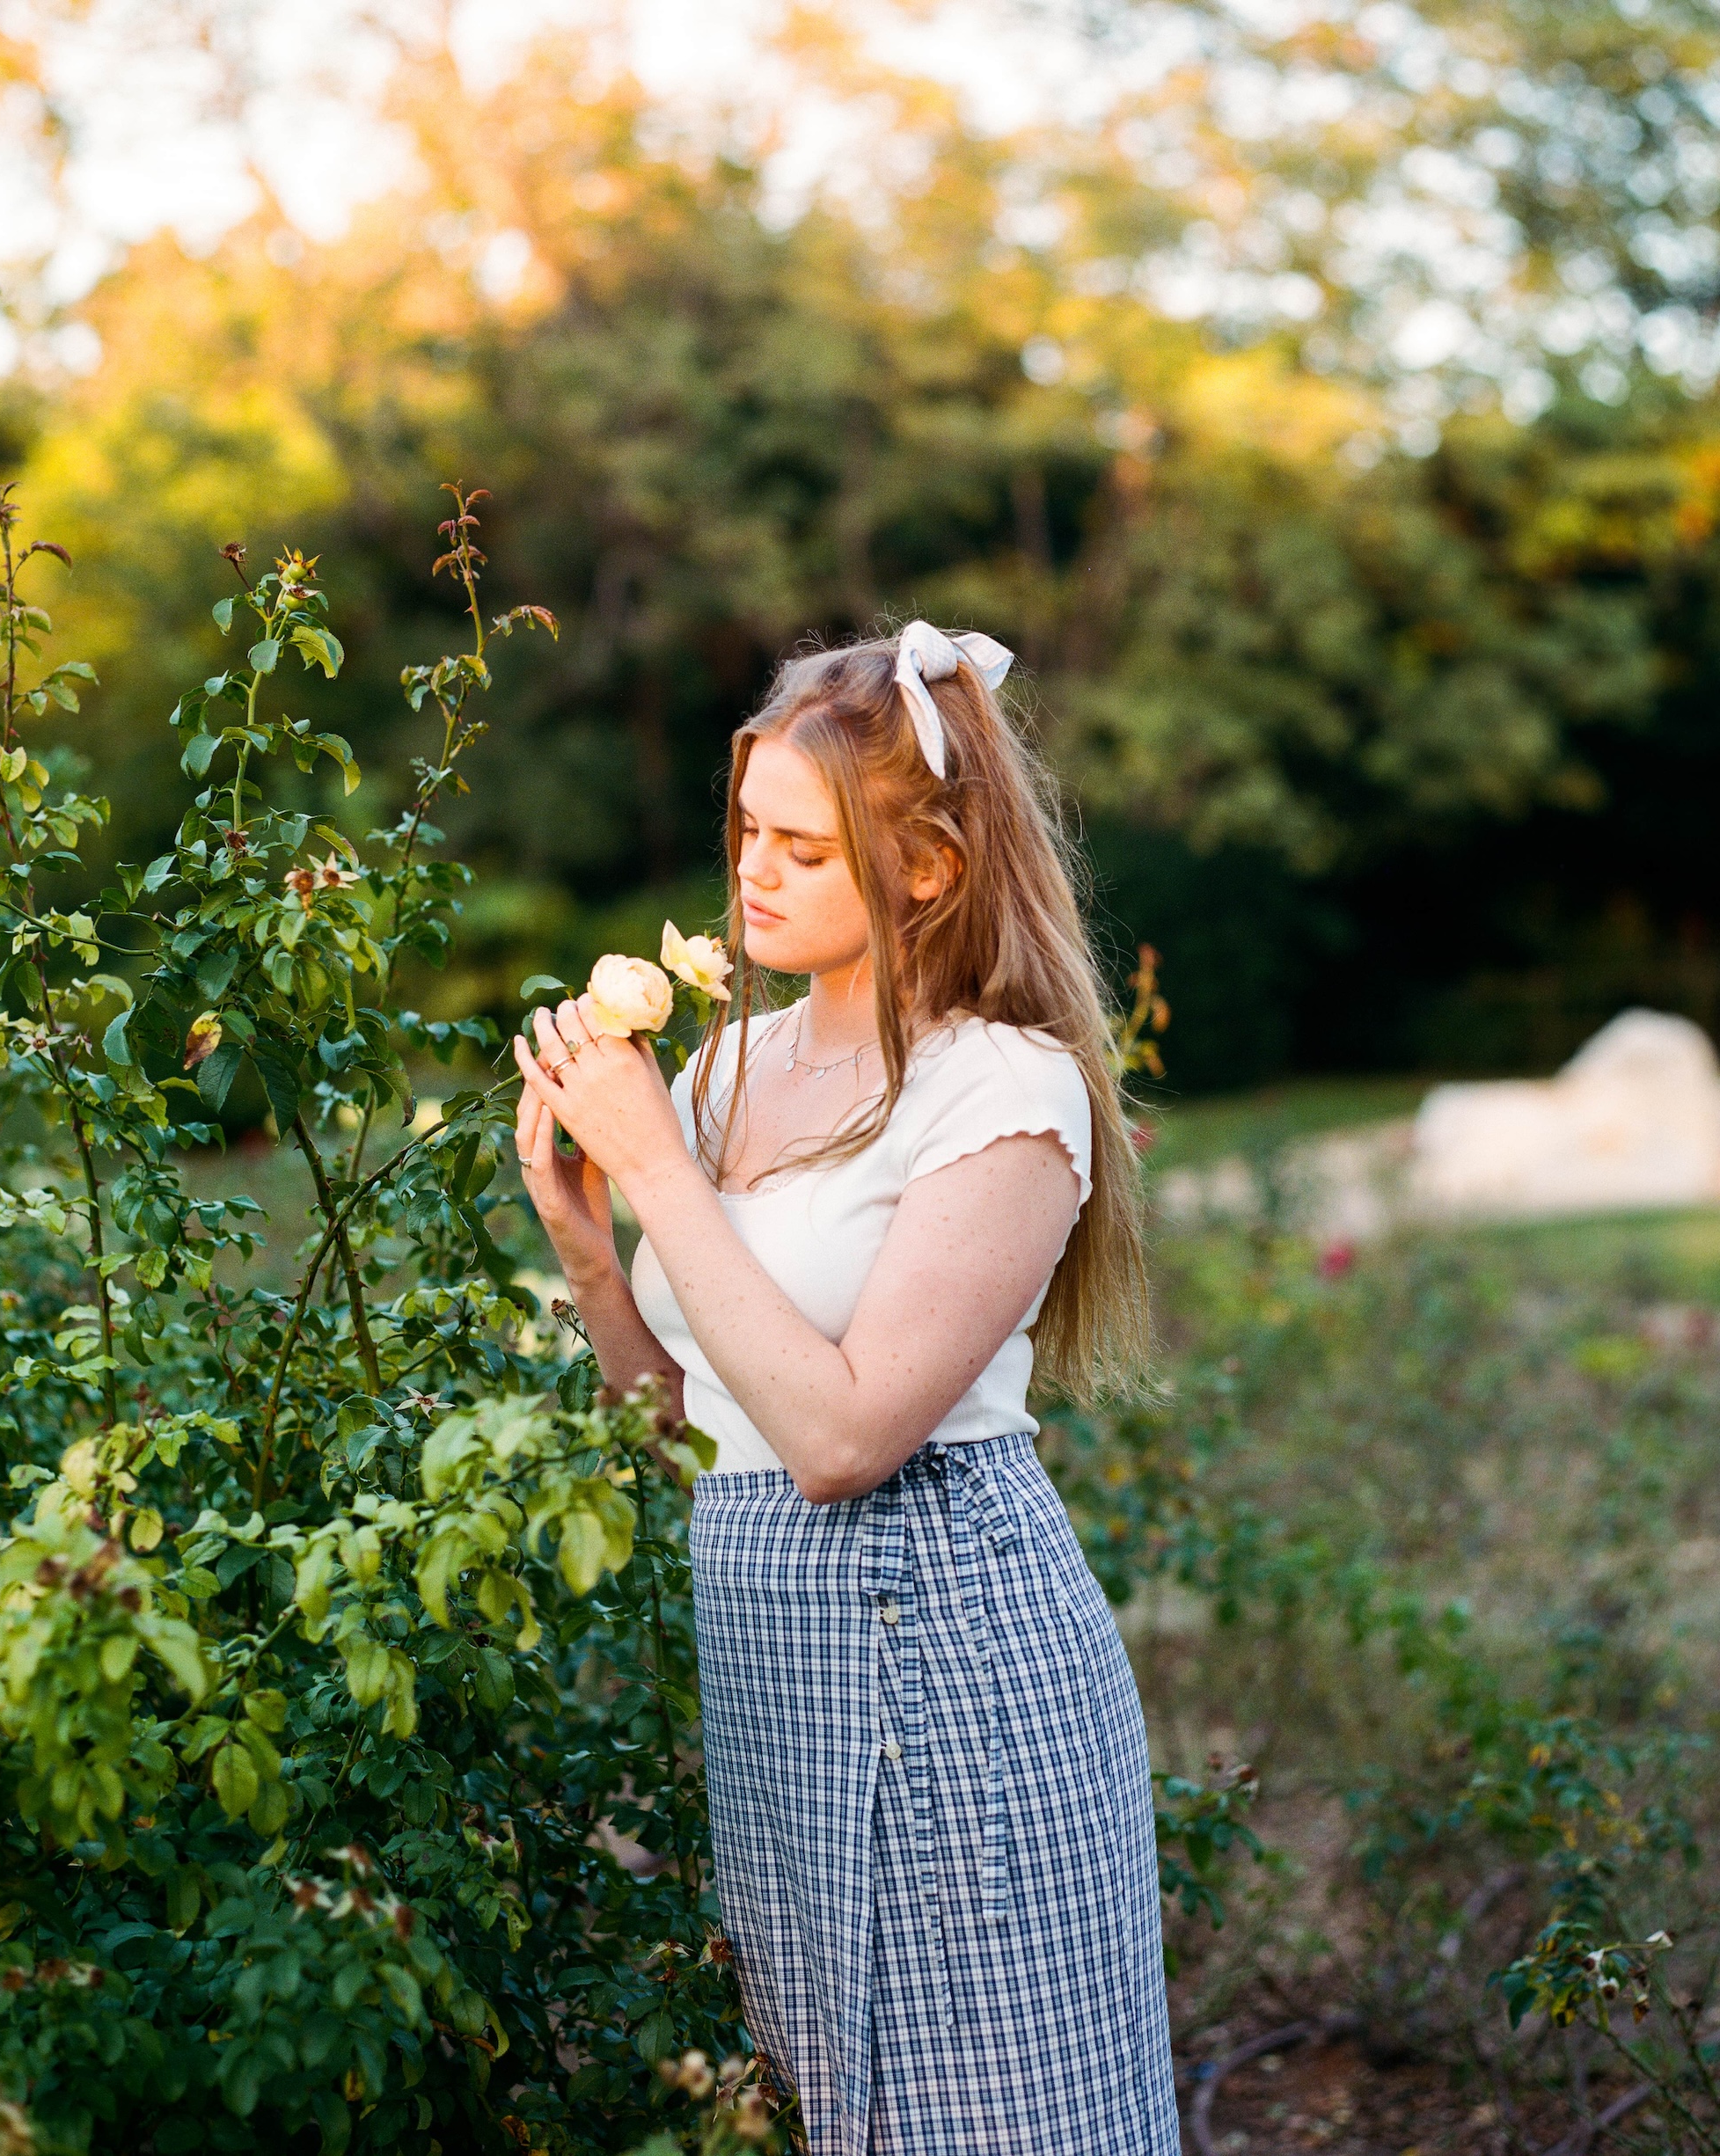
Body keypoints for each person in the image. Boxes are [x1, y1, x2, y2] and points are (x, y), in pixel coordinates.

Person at [511, 623, 1180, 2156]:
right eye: (748, 827)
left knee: (1006, 2119)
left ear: (929, 865)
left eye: (804, 849)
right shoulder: (727, 1073)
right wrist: (592, 1255)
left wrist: (658, 1171)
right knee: (843, 2119)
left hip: (954, 1670)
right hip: (775, 1685)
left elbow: (842, 1437)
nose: (754, 872)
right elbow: (687, 1430)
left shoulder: (1002, 1089)